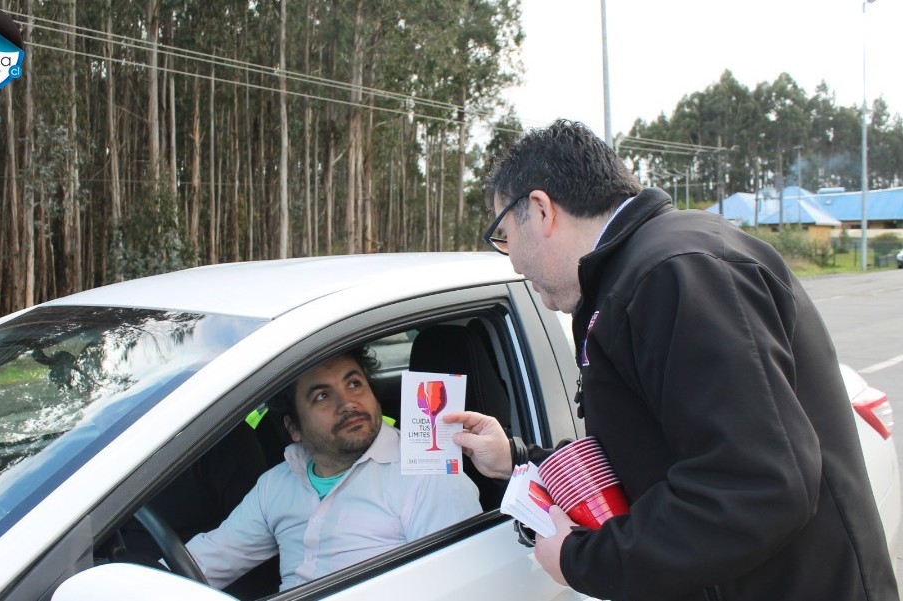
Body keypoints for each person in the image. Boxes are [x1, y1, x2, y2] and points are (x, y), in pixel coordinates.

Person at [446, 119, 899, 600]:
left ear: (540, 210)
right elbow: (653, 453)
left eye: (503, 236)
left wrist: (584, 560)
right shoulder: (637, 277)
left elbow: (758, 488)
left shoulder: (674, 273)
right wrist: (520, 460)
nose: (512, 261)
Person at [184, 346, 481, 591]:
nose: (348, 403)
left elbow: (465, 586)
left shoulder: (427, 475)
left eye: (354, 384)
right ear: (293, 427)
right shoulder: (275, 485)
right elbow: (208, 561)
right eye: (322, 396)